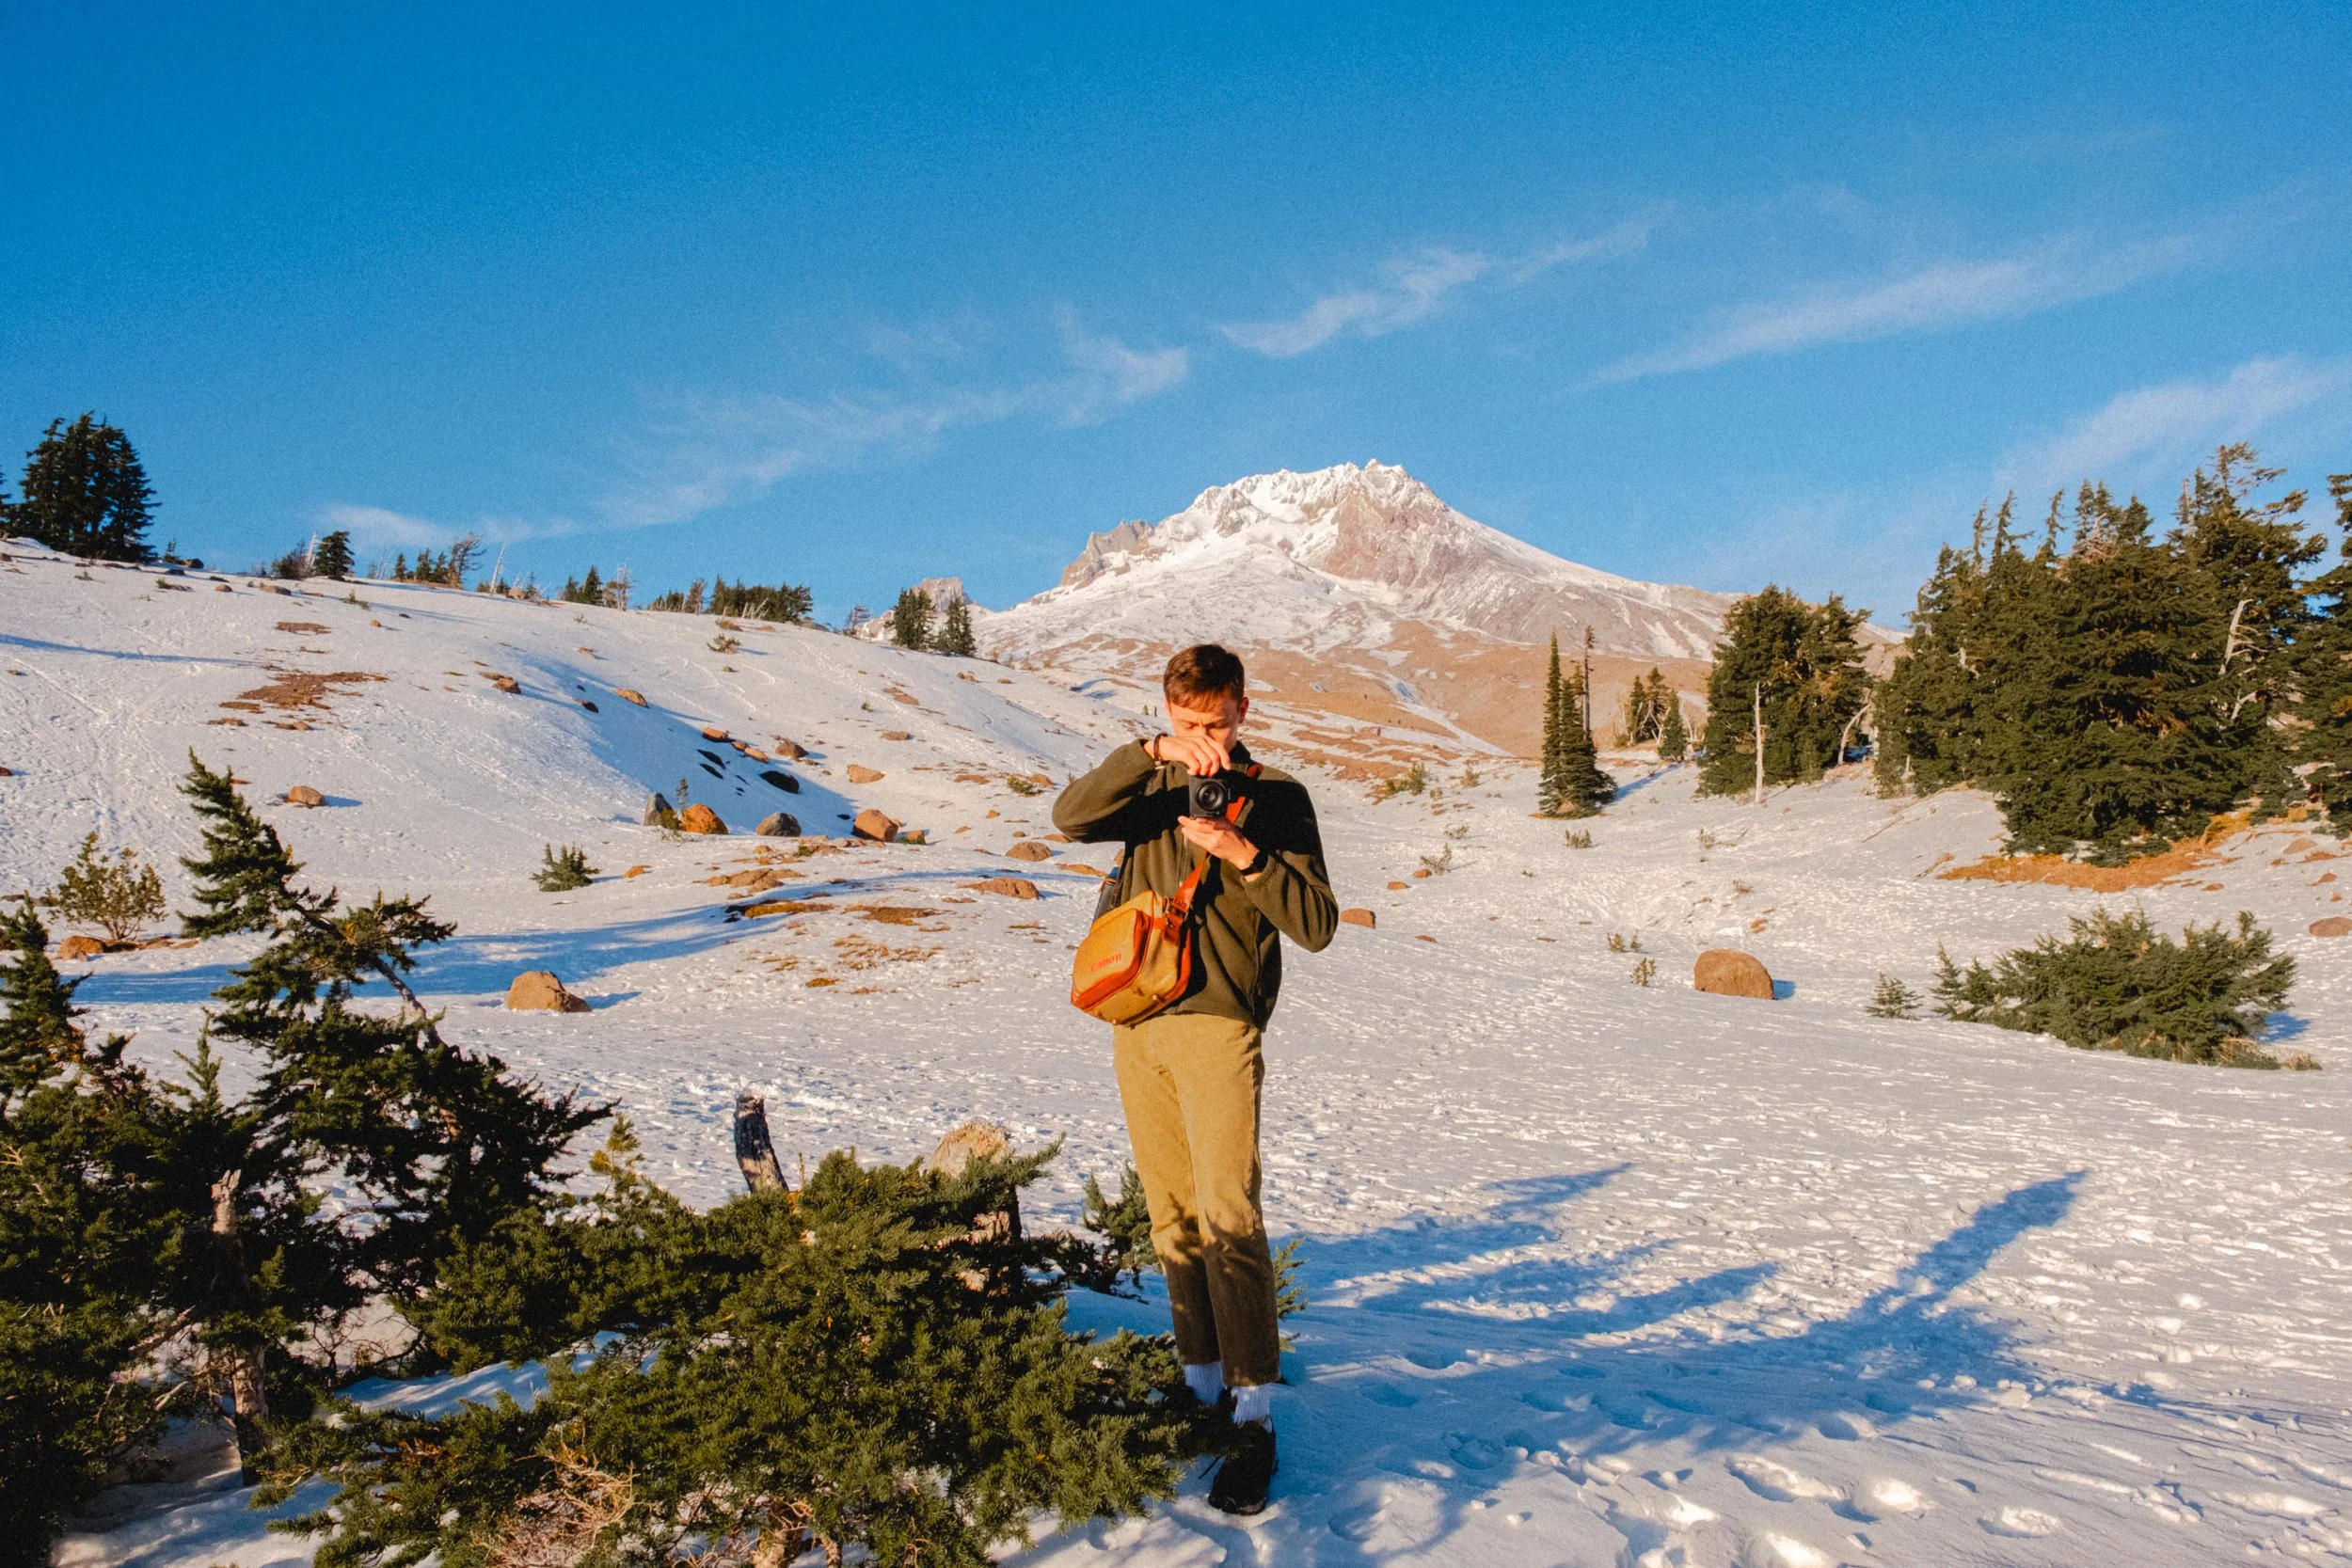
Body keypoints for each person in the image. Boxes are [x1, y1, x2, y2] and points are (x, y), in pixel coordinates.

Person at [1054, 642, 1337, 1515]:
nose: (1203, 740)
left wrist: (1241, 851)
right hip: (1136, 1020)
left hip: (1218, 1025)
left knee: (1228, 1210)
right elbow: (1068, 816)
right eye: (1186, 725)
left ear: (1244, 711)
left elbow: (1318, 923)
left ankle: (1252, 1411)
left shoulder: (1280, 799)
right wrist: (1151, 757)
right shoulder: (1151, 790)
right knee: (1169, 1211)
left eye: (1214, 724)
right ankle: (1197, 1382)